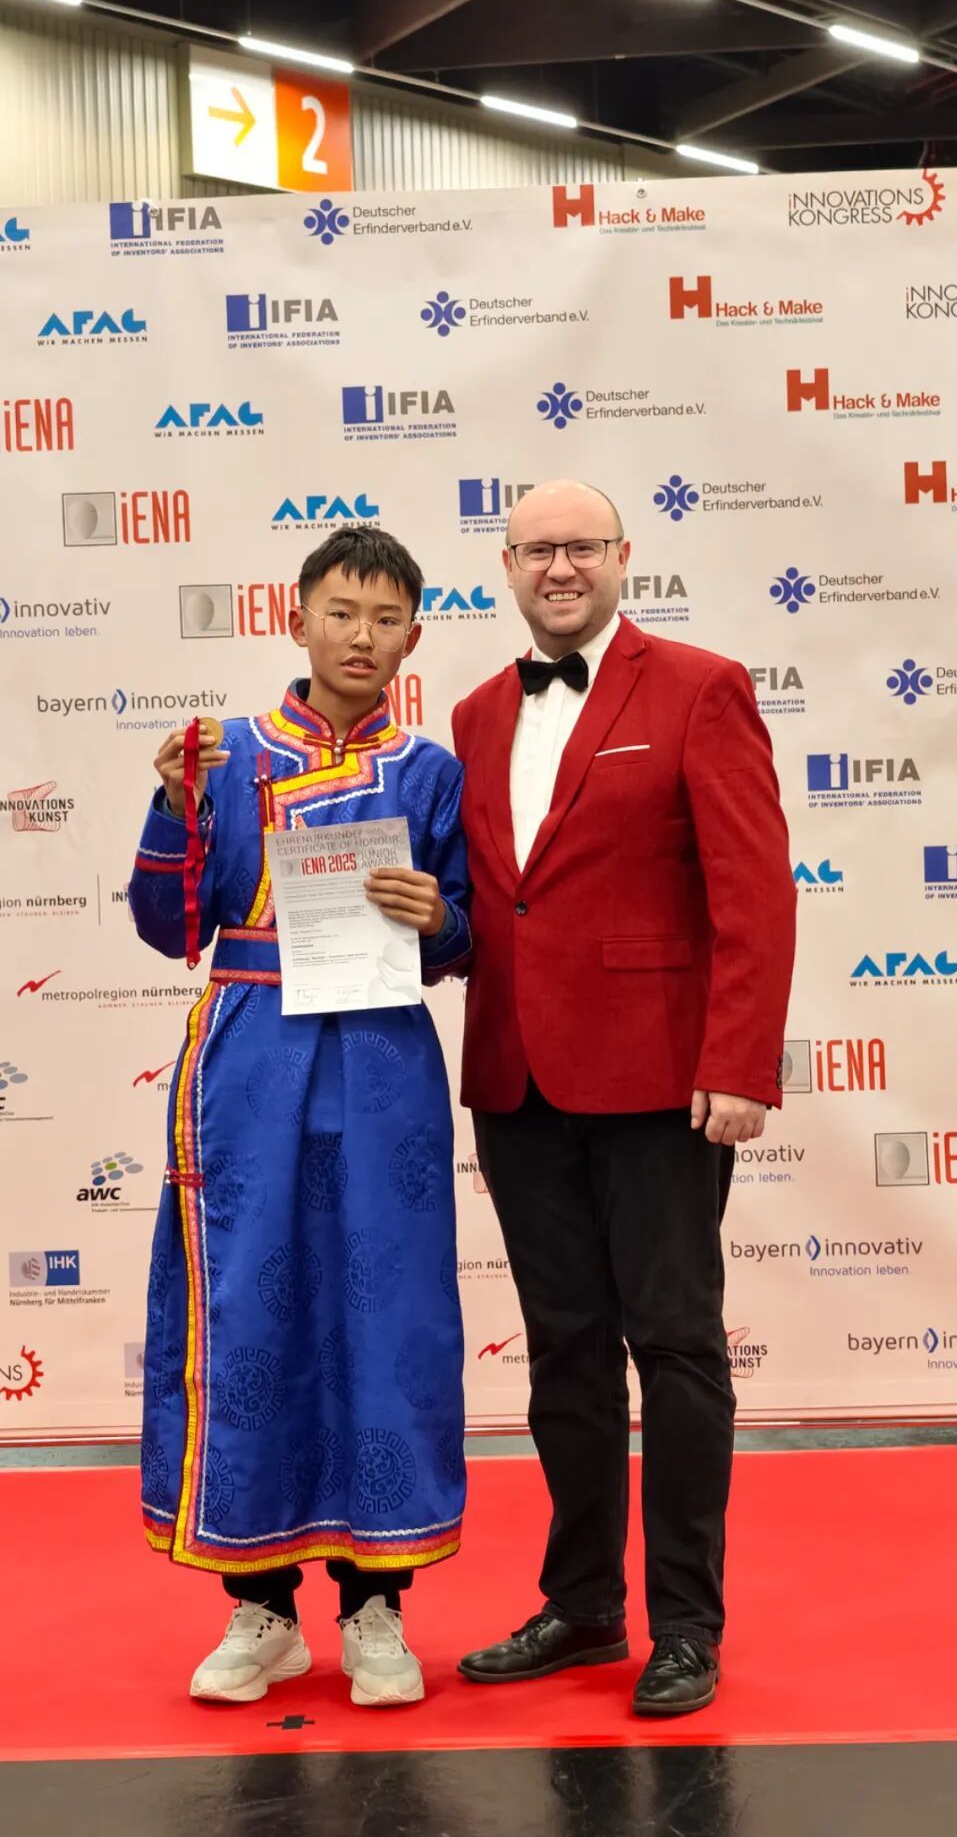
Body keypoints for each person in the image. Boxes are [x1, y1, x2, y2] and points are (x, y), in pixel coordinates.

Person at [452, 480, 795, 1716]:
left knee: (678, 1347)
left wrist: (738, 1062)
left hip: (660, 1083)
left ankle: (687, 1625)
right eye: (538, 548)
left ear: (622, 558)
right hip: (518, 1082)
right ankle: (586, 1605)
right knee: (565, 1353)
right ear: (505, 564)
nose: (560, 567)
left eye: (581, 547)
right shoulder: (477, 713)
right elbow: (488, 899)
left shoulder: (702, 688)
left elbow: (756, 890)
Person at [130, 525, 471, 1708]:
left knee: (388, 1318)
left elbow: (467, 935)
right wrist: (174, 804)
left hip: (381, 1062)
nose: (360, 637)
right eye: (340, 612)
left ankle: (377, 1605)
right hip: (250, 1059)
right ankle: (262, 1607)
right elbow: (168, 927)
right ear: (297, 619)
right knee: (251, 1312)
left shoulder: (431, 771)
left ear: (412, 637)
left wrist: (436, 915)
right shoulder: (223, 754)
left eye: (385, 619)